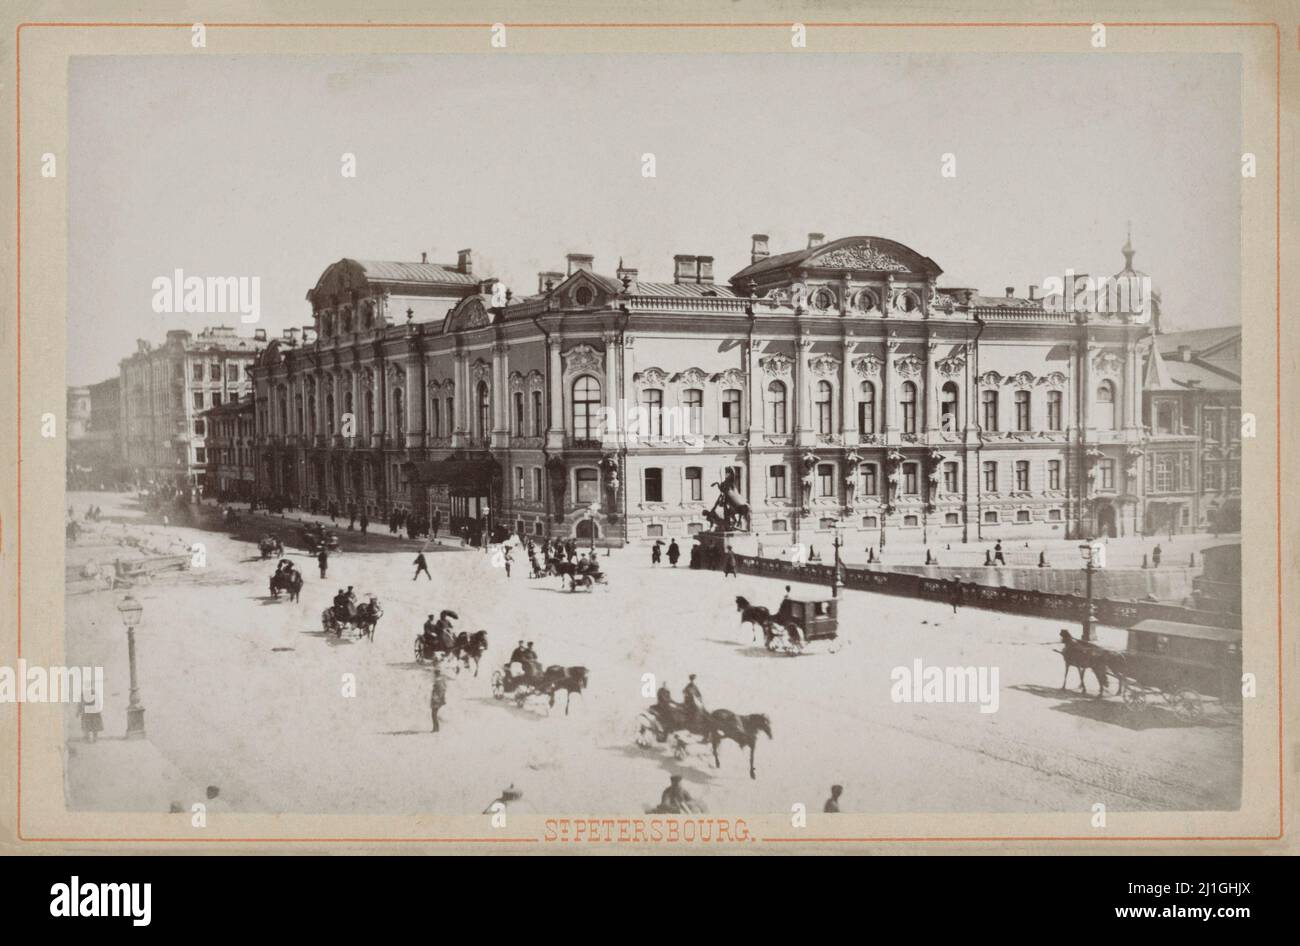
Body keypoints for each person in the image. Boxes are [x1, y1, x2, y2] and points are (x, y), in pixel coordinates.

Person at [429, 664, 447, 733]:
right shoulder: (441, 680)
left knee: (434, 714)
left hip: (436, 700)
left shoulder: (438, 681)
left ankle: (436, 728)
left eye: (435, 672)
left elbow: (440, 691)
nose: (434, 674)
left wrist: (436, 698)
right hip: (438, 699)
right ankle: (436, 728)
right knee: (434, 714)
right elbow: (444, 689)